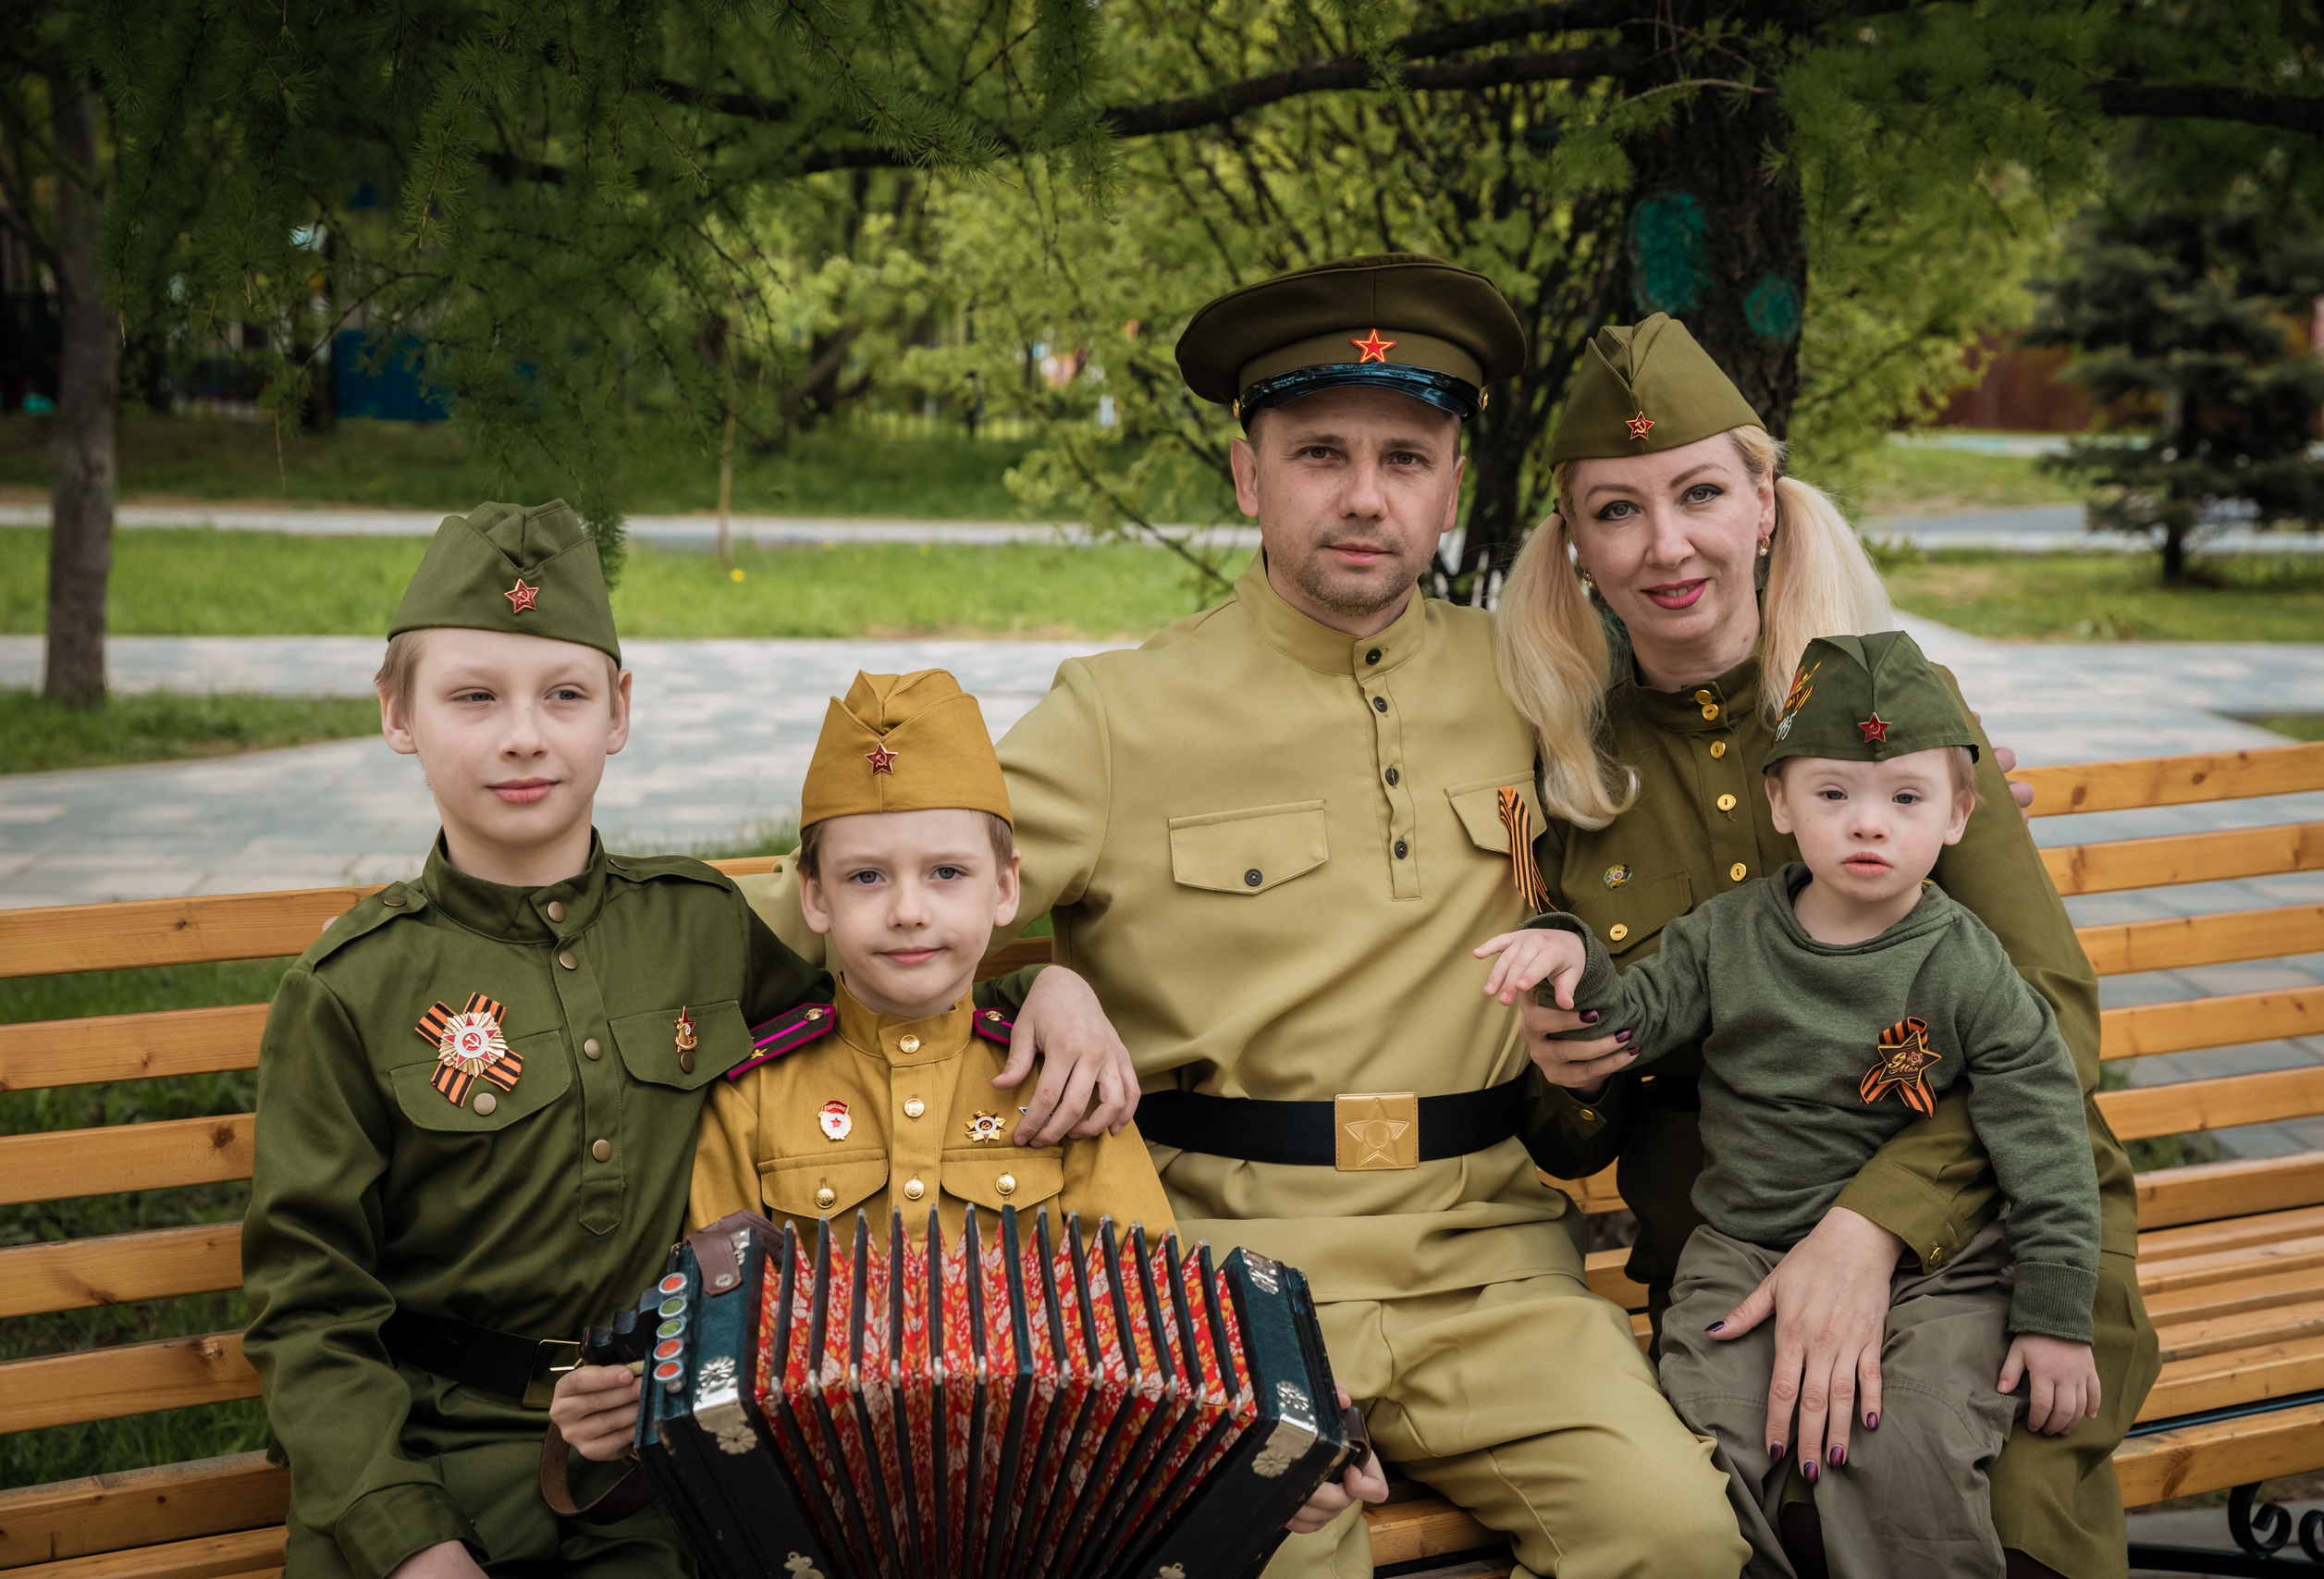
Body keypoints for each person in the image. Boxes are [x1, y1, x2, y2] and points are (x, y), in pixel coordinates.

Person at [736, 253, 1749, 1579]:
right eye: (1320, 451)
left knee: (1675, 1535)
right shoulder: (1120, 713)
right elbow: (877, 893)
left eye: (1407, 454)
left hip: (1490, 1260)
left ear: (1452, 480)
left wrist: (1941, 769)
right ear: (1247, 476)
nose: (1366, 495)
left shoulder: (1532, 673)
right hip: (1217, 1274)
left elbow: (1726, 769)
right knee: (1273, 1547)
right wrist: (1027, 985)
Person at [240, 509, 1068, 1579]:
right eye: (474, 696)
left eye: (565, 695)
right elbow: (308, 1307)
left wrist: (1059, 992)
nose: (525, 736)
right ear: (398, 714)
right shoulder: (353, 988)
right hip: (425, 1465)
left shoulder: (698, 929)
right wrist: (409, 1540)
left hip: (655, 1465)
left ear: (618, 713)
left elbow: (893, 1011)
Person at [1495, 316, 2158, 1579]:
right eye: (1618, 510)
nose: (1667, 543)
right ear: (1575, 544)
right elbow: (1563, 1123)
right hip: (1732, 1255)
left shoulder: (1891, 717)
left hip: (1993, 1230)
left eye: (1699, 492)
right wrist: (1574, 1067)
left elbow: (2050, 1022)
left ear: (1764, 504)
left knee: (1967, 1523)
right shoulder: (1571, 780)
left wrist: (1870, 1226)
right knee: (1730, 1520)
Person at [547, 668, 1383, 1527]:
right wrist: (620, 1407)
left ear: (1008, 887)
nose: (909, 910)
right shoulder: (754, 1094)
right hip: (818, 1514)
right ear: (813, 896)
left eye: (947, 871)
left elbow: (1159, 1332)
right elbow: (712, 1352)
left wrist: (1270, 1449)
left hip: (1049, 1508)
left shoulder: (1063, 1084)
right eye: (866, 877)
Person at [1479, 630, 2102, 1578]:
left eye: (1904, 798)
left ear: (1959, 816)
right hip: (1740, 1249)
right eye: (1831, 794)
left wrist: (2056, 1316)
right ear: (1779, 801)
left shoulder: (1966, 965)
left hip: (1942, 1272)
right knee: (1708, 1443)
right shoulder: (1726, 937)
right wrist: (1571, 959)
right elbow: (1631, 1019)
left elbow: (2045, 1135)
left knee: (1915, 1444)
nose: (1866, 825)